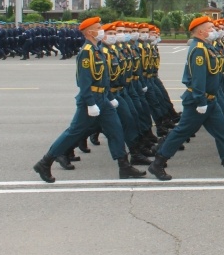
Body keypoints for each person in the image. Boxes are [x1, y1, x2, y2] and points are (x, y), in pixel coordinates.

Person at [33, 17, 147, 183]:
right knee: (74, 132)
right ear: (90, 32)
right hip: (91, 99)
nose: (102, 30)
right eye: (99, 28)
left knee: (116, 129)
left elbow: (104, 78)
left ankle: (124, 166)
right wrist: (91, 103)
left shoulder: (97, 49)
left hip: (103, 98)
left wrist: (109, 97)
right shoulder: (87, 52)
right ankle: (45, 162)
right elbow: (84, 81)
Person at [148, 16, 224, 181]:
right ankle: (158, 163)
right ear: (201, 31)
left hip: (211, 99)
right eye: (210, 28)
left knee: (222, 131)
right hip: (199, 101)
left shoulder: (207, 47)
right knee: (181, 132)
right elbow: (198, 79)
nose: (213, 31)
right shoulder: (199, 49)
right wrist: (201, 100)